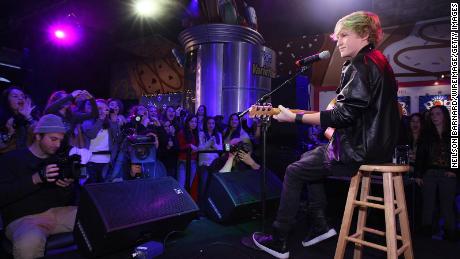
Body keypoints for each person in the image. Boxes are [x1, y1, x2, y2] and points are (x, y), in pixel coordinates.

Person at [252, 11, 400, 258]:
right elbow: (358, 117)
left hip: (358, 152)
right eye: (336, 36)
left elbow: (342, 116)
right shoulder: (379, 62)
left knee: (294, 170)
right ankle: (320, 225)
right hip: (377, 148)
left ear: (364, 35)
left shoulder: (359, 64)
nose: (338, 41)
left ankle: (279, 239)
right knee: (311, 158)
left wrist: (295, 118)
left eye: (344, 35)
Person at [0, 114, 77, 259]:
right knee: (29, 243)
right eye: (53, 139)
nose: (58, 145)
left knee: (92, 217)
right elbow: (3, 195)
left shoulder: (56, 160)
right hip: (23, 219)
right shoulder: (11, 159)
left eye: (60, 140)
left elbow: (63, 200)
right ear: (38, 136)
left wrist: (66, 187)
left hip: (56, 213)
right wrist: (35, 179)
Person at [415, 105, 457, 241]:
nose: (434, 117)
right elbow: (420, 156)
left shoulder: (453, 133)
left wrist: (454, 170)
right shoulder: (426, 134)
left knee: (447, 205)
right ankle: (426, 233)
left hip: (447, 173)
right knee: (428, 204)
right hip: (430, 173)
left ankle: (451, 233)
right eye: (432, 114)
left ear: (444, 115)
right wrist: (418, 174)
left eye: (438, 114)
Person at [0, 86, 41, 153]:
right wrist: (10, 133)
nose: (20, 98)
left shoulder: (31, 117)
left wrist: (28, 117)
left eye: (22, 96)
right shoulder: (3, 119)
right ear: (7, 101)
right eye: (15, 96)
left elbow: (40, 134)